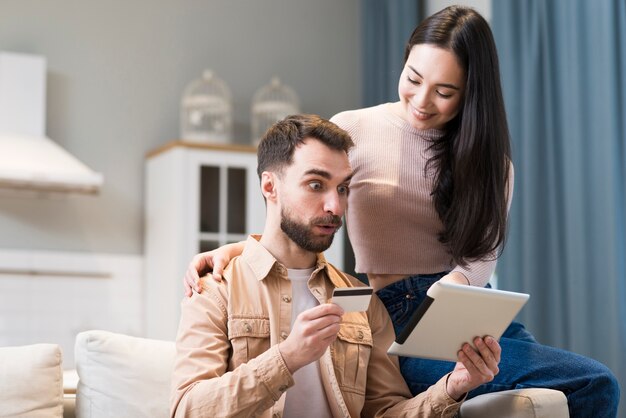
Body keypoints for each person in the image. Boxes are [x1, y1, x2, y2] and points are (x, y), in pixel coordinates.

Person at [182, 6, 620, 418]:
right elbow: (305, 198)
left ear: (470, 94)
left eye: (445, 92)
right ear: (405, 59)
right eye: (413, 77)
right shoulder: (355, 128)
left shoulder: (492, 164)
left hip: (459, 307)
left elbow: (481, 258)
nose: (422, 100)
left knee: (567, 390)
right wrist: (242, 249)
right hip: (388, 309)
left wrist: (450, 296)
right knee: (594, 382)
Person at [170, 114, 502, 418]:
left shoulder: (362, 300)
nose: (335, 205)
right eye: (316, 185)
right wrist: (287, 358)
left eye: (343, 188)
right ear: (270, 186)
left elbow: (385, 411)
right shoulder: (214, 288)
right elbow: (186, 409)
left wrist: (453, 387)